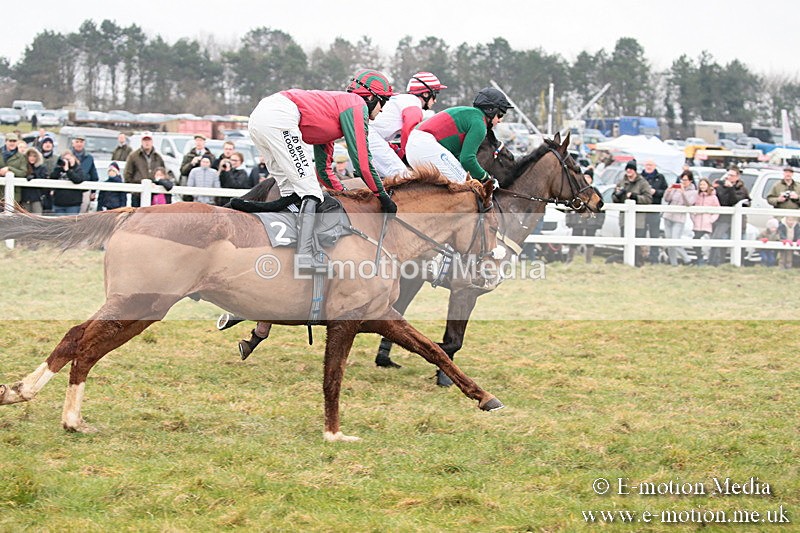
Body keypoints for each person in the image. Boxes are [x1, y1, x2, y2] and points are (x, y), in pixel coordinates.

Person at [247, 68, 397, 274]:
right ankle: (305, 257)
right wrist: (382, 196)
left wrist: (345, 194)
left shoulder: (333, 112)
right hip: (278, 116)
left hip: (260, 117)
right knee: (311, 192)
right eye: (384, 102)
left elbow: (323, 170)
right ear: (370, 97)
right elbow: (362, 162)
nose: (382, 110)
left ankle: (278, 248)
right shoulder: (357, 105)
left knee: (291, 193)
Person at [405, 86, 510, 183]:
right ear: (490, 110)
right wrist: (486, 178)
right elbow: (467, 160)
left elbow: (459, 158)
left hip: (415, 146)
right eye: (500, 115)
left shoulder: (470, 113)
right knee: (467, 184)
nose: (500, 120)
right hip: (424, 146)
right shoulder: (480, 124)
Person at [368, 71, 447, 178]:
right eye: (435, 94)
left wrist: (398, 151)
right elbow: (409, 131)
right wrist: (409, 156)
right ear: (425, 94)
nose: (435, 100)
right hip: (369, 136)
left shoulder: (403, 100)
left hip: (369, 135)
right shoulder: (414, 103)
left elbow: (381, 134)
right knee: (404, 177)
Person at [612, 160, 653, 266]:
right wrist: (617, 195)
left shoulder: (642, 183)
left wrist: (635, 197)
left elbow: (648, 199)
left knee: (636, 244)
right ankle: (627, 262)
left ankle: (638, 263)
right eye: (627, 169)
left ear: (635, 170)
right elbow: (614, 198)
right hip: (624, 218)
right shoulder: (621, 182)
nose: (628, 171)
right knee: (624, 241)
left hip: (638, 219)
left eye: (631, 169)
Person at [708, 166, 750, 266]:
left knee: (739, 241)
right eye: (728, 174)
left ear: (737, 177)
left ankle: (739, 263)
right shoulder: (721, 187)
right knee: (718, 240)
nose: (729, 177)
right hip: (722, 218)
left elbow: (735, 201)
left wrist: (730, 189)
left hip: (738, 220)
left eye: (731, 175)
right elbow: (721, 200)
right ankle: (715, 263)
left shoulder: (742, 189)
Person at [565, 169, 604, 263]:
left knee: (590, 241)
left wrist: (599, 223)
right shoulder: (576, 191)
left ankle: (588, 261)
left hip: (591, 221)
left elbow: (600, 207)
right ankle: (569, 260)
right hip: (578, 220)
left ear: (592, 180)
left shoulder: (595, 192)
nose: (586, 179)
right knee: (574, 241)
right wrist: (569, 220)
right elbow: (570, 206)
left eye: (588, 177)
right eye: (585, 177)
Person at [662, 170, 697, 266]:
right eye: (682, 179)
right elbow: (667, 199)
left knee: (675, 241)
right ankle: (673, 263)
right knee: (669, 241)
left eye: (685, 180)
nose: (683, 182)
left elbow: (688, 204)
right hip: (668, 216)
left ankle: (687, 259)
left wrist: (683, 192)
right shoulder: (675, 189)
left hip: (679, 218)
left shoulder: (693, 192)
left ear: (690, 181)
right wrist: (668, 191)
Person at [124, 132, 166, 207]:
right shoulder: (133, 156)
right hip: (137, 194)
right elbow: (127, 175)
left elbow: (164, 174)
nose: (147, 142)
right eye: (145, 140)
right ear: (141, 141)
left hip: (154, 195)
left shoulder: (158, 157)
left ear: (152, 141)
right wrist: (135, 188)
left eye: (149, 140)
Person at [640, 160, 668, 264]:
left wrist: (656, 192)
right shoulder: (640, 177)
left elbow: (665, 192)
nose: (649, 167)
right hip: (642, 209)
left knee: (654, 235)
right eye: (647, 165)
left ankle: (654, 258)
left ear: (655, 166)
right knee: (640, 234)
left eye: (651, 165)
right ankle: (641, 257)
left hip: (654, 209)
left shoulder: (660, 177)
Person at [690, 178, 720, 266]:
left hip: (707, 224)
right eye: (701, 184)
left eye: (704, 184)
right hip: (697, 223)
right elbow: (691, 206)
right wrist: (693, 218)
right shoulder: (697, 196)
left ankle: (706, 260)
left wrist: (711, 220)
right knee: (695, 242)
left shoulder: (713, 197)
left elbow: (717, 209)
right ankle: (700, 258)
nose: (702, 186)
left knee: (703, 241)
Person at [48, 150, 85, 215]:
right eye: (64, 159)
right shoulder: (59, 169)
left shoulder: (78, 169)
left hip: (73, 204)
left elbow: (78, 179)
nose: (66, 161)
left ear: (74, 158)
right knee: (60, 224)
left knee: (71, 224)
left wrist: (68, 170)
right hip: (59, 203)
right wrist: (59, 168)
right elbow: (52, 178)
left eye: (68, 159)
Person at [71, 135, 99, 213]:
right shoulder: (67, 156)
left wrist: (93, 191)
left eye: (81, 142)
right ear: (73, 143)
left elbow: (94, 175)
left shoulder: (89, 158)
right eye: (77, 142)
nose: (79, 144)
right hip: (70, 190)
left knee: (82, 213)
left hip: (84, 190)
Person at [20, 147, 48, 214]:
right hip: (24, 197)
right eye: (30, 156)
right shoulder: (23, 167)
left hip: (37, 197)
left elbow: (44, 179)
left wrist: (35, 176)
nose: (32, 158)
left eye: (34, 156)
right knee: (25, 219)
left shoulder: (42, 168)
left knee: (37, 218)